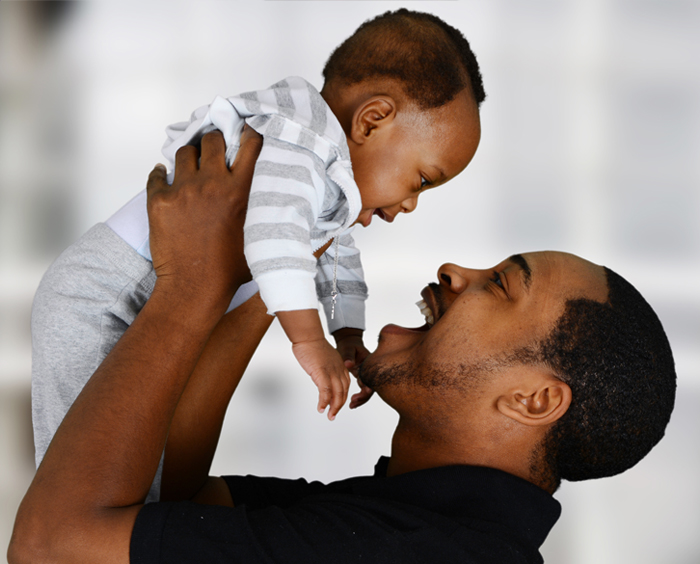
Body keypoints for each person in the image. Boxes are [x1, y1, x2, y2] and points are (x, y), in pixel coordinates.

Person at [10, 131, 676, 564]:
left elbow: (49, 549)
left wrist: (189, 290)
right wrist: (276, 270)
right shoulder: (393, 520)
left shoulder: (412, 554)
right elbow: (165, 505)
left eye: (500, 286)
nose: (454, 272)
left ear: (534, 399)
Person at [29, 10, 485, 505]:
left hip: (141, 303)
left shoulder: (323, 178)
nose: (412, 204)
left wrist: (347, 331)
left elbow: (333, 256)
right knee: (88, 490)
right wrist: (309, 341)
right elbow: (277, 243)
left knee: (135, 480)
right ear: (372, 120)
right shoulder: (298, 149)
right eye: (422, 179)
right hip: (97, 300)